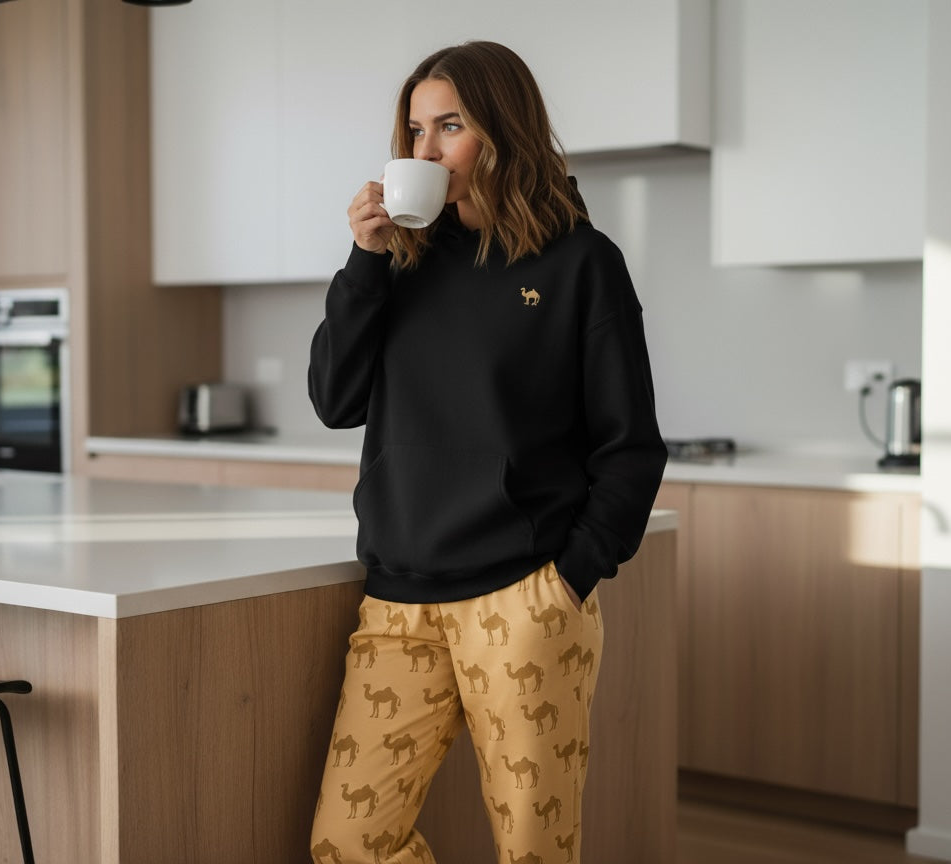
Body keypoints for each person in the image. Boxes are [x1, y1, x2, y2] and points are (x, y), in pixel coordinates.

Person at [307, 40, 667, 864]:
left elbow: (631, 444)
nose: (425, 151)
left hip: (524, 601)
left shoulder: (581, 262)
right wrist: (362, 262)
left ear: (501, 133)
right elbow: (334, 402)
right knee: (348, 840)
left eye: (449, 126)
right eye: (414, 131)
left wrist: (570, 575)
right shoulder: (396, 263)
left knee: (534, 852)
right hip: (397, 604)